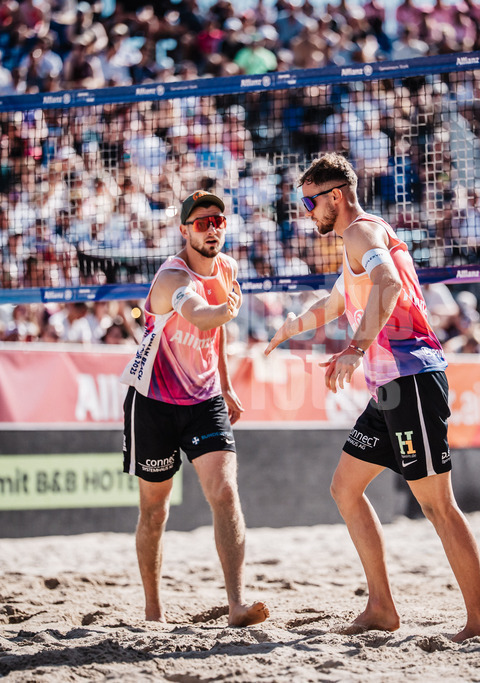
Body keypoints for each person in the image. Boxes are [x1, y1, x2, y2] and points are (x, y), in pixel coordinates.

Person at [264, 153, 480, 642]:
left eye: (310, 201)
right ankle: (381, 607)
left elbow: (389, 285)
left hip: (411, 378)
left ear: (335, 196)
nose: (307, 212)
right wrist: (288, 329)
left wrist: (353, 349)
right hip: (388, 388)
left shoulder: (360, 233)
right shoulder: (362, 240)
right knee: (345, 488)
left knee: (437, 505)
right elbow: (335, 303)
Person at [118, 190, 268, 627]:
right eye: (202, 222)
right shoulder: (171, 276)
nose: (212, 228)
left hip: (203, 399)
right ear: (184, 230)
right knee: (155, 508)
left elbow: (216, 334)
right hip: (154, 401)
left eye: (218, 220)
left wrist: (223, 384)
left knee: (224, 493)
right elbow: (203, 317)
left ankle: (237, 604)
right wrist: (226, 309)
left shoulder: (228, 268)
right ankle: (153, 609)